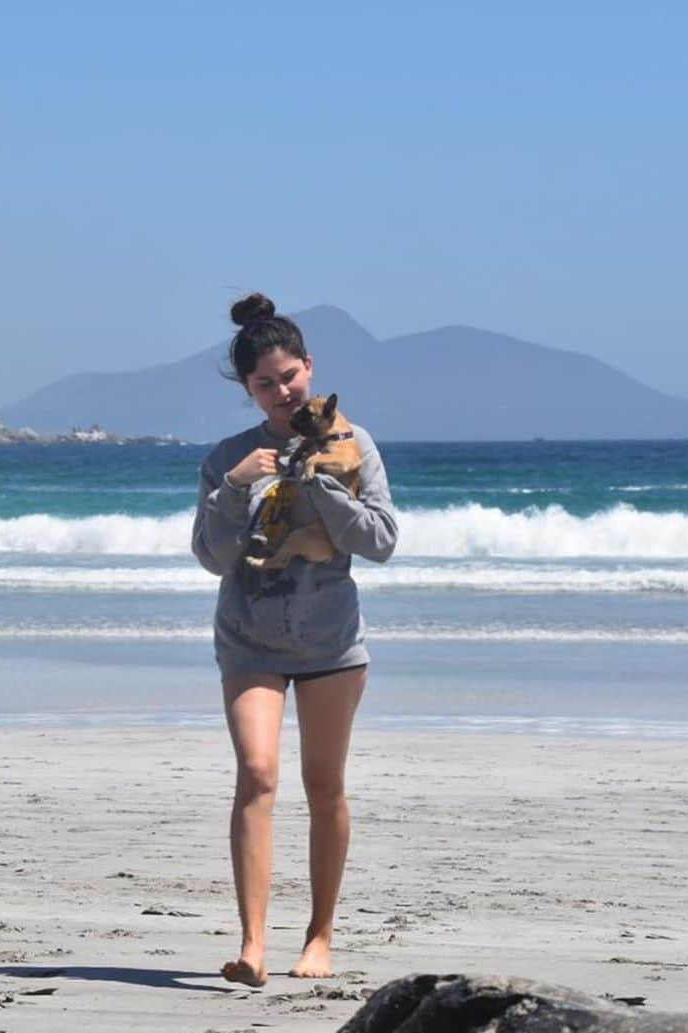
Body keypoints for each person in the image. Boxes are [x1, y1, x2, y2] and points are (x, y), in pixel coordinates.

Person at [191, 292, 398, 987]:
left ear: (310, 367)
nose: (281, 392)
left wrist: (324, 486)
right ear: (248, 390)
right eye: (264, 384)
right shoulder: (228, 457)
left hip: (330, 643)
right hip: (249, 638)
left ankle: (319, 936)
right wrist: (234, 489)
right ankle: (252, 944)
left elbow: (382, 541)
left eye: (290, 376)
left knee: (324, 785)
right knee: (257, 772)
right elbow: (212, 556)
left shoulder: (352, 443)